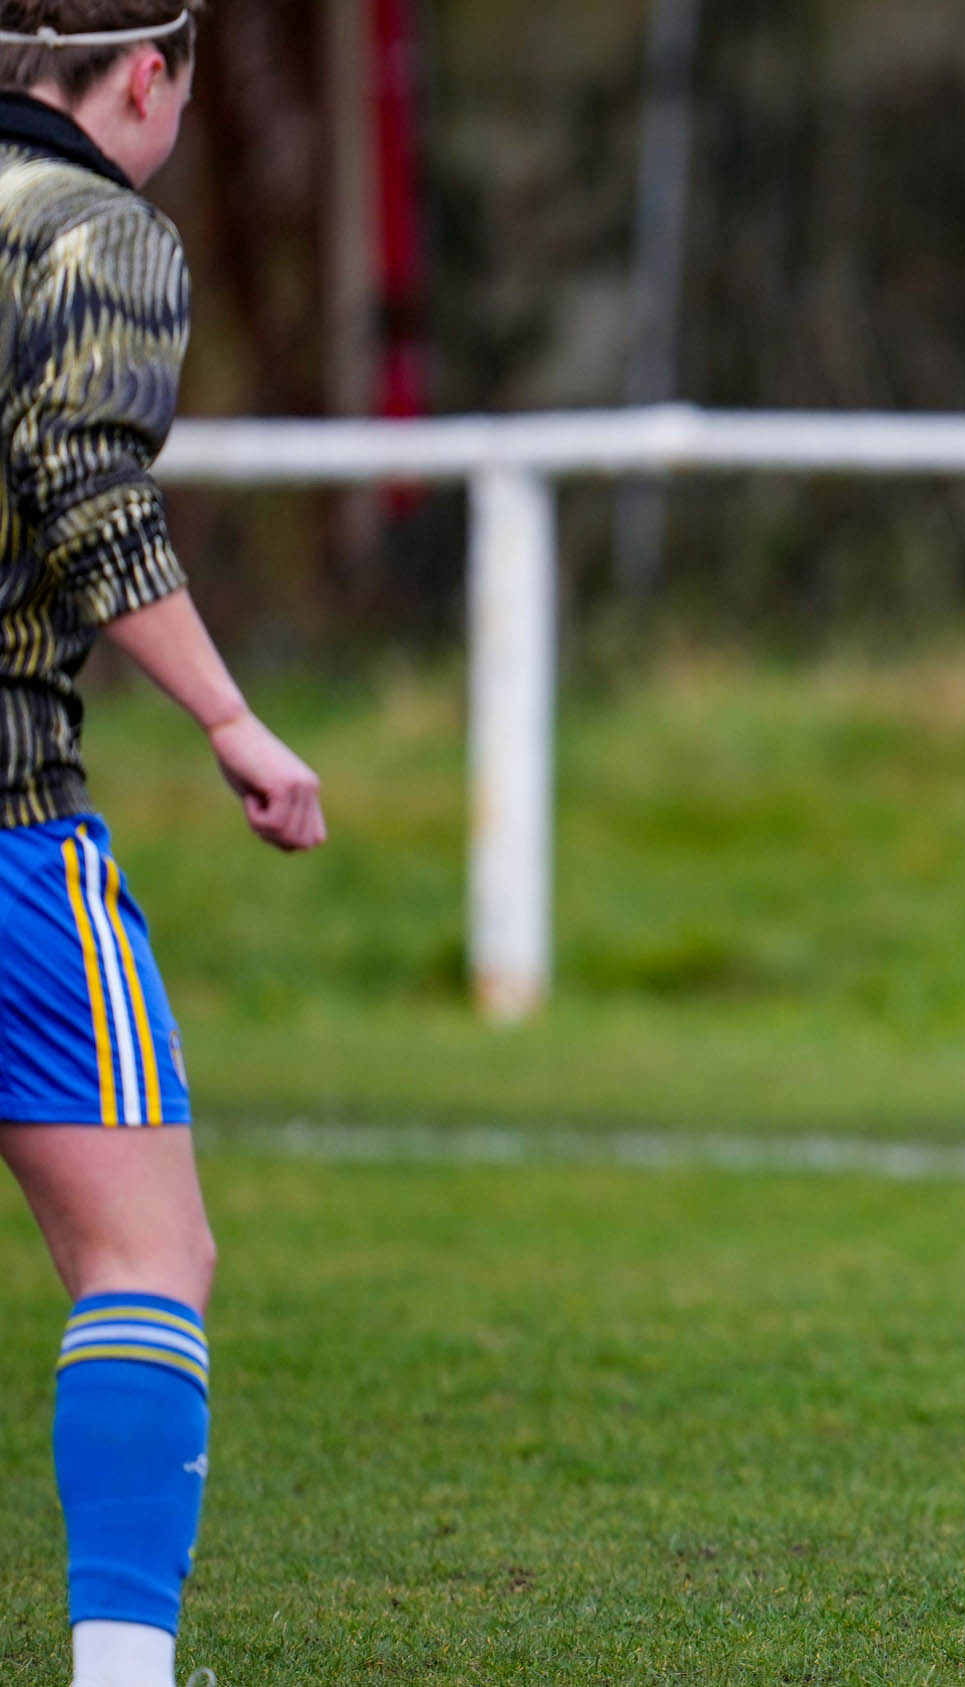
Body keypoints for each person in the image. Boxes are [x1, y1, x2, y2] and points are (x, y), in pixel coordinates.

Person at [0, 6, 324, 1684]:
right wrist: (228, 718)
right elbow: (83, 481)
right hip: (5, 825)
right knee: (145, 1254)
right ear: (150, 75)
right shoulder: (100, 234)